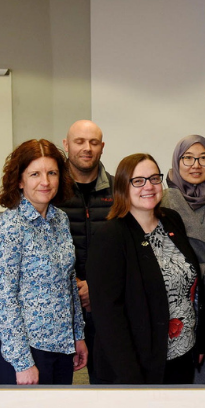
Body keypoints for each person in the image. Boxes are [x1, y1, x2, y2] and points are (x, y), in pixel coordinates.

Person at [86, 154, 205, 384]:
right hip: (138, 364)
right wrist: (130, 375)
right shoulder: (110, 236)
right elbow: (108, 315)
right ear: (124, 186)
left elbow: (190, 286)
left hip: (181, 353)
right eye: (138, 181)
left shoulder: (171, 220)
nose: (149, 187)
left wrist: (200, 338)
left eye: (154, 178)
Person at [0, 139, 87, 385]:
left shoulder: (60, 220)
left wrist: (77, 334)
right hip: (23, 352)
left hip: (60, 347)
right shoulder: (8, 227)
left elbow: (68, 284)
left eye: (52, 172)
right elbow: (4, 301)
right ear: (20, 180)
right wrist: (23, 363)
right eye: (35, 174)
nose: (45, 182)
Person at [161, 135, 205, 384]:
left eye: (203, 158)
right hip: (177, 301)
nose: (195, 164)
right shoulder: (162, 200)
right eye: (187, 158)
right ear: (177, 162)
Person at [56, 119, 113, 384]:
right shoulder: (50, 192)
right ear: (66, 145)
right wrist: (75, 286)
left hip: (107, 307)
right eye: (79, 142)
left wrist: (97, 286)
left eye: (93, 142)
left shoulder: (120, 191)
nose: (86, 148)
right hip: (61, 308)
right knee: (56, 390)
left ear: (102, 147)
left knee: (107, 385)